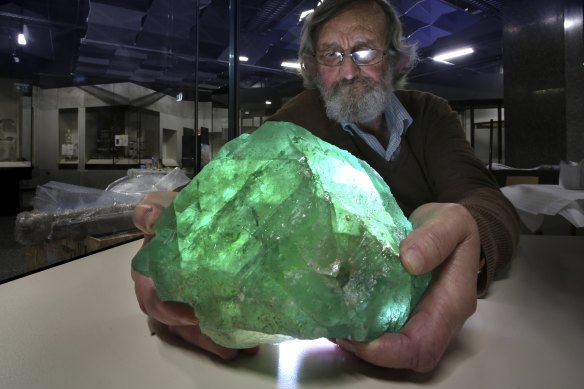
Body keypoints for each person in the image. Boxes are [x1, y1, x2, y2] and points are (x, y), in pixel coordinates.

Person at [132, 0, 520, 372]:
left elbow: (484, 199)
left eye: (365, 52)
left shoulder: (430, 114)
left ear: (396, 60)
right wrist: (176, 239)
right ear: (315, 70)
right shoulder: (302, 119)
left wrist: (470, 248)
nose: (348, 71)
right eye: (331, 55)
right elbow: (234, 185)